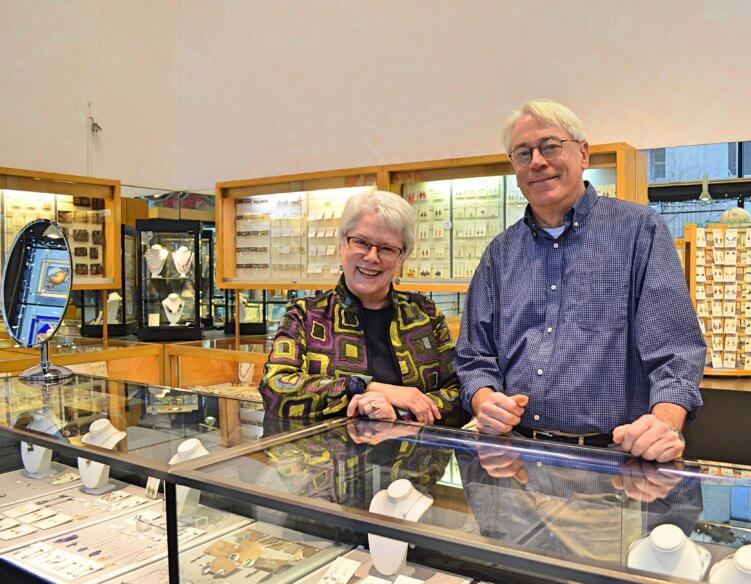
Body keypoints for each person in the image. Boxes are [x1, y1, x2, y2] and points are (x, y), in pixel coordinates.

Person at [456, 99, 706, 463]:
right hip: (513, 461)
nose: (537, 162)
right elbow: (473, 356)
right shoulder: (500, 253)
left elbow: (676, 349)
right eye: (523, 153)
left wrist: (665, 424)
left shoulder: (638, 232)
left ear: (583, 154)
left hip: (609, 468)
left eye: (551, 146)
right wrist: (485, 399)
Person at [260, 190, 466, 427]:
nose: (372, 257)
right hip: (329, 462)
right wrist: (366, 387)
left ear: (402, 258)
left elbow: (459, 396)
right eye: (361, 242)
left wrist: (399, 415)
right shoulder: (305, 315)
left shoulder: (425, 316)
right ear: (341, 245)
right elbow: (275, 390)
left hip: (413, 459)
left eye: (387, 248)